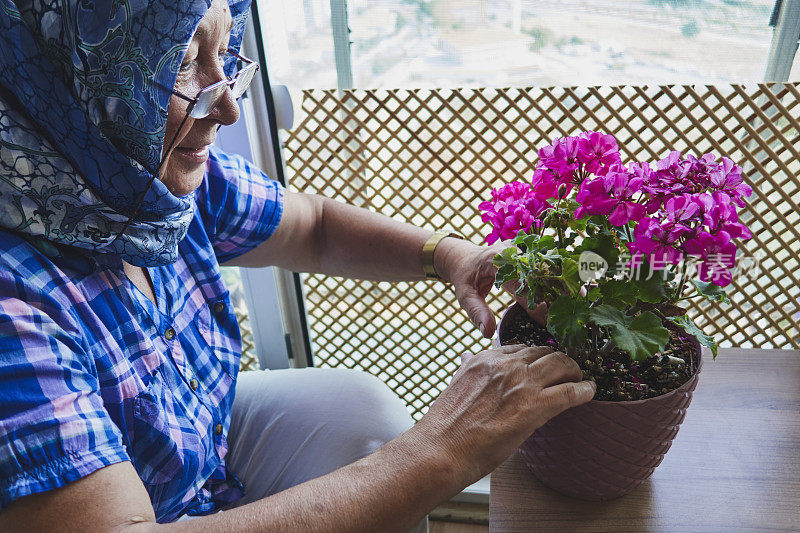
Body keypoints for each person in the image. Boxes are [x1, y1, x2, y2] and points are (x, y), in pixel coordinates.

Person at [0, 0, 596, 531]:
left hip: (193, 442)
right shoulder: (13, 301)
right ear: (66, 78)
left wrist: (449, 256)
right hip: (141, 504)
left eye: (222, 53)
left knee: (361, 413)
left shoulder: (136, 183)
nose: (228, 108)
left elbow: (313, 228)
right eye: (182, 62)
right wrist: (445, 448)